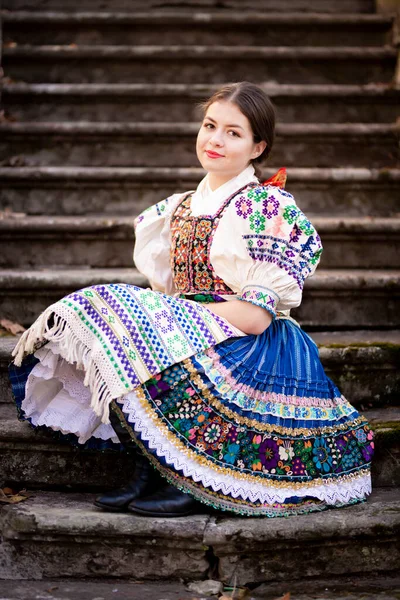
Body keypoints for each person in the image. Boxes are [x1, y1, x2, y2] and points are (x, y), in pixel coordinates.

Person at [10, 82, 374, 518]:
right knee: (119, 327)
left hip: (250, 343)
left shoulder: (262, 207)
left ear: (257, 147)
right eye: (210, 125)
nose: (216, 140)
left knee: (128, 314)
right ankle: (154, 464)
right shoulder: (177, 209)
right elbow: (167, 293)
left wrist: (174, 318)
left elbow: (257, 317)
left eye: (233, 133)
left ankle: (195, 477)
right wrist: (163, 318)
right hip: (197, 326)